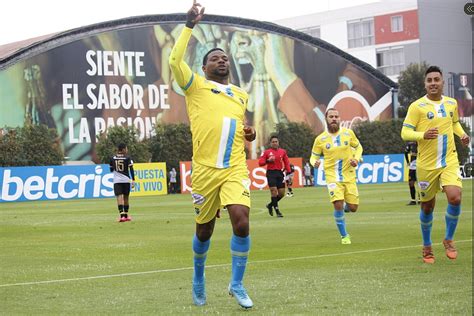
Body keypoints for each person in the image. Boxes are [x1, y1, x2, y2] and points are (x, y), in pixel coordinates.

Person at [168, 1, 256, 309]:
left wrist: (250, 134)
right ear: (204, 68)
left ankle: (237, 283)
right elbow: (174, 60)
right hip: (205, 171)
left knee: (241, 222)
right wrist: (189, 24)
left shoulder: (241, 95)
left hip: (234, 169)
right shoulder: (195, 86)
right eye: (215, 59)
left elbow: (236, 126)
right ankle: (198, 276)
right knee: (204, 231)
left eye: (224, 58)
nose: (221, 61)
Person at [401, 65, 470, 264]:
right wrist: (422, 135)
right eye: (429, 80)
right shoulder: (417, 107)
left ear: (441, 82)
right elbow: (405, 132)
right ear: (425, 84)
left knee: (455, 198)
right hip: (426, 166)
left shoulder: (451, 103)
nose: (433, 83)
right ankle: (427, 245)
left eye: (436, 80)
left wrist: (462, 134)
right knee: (427, 207)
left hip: (449, 160)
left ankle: (448, 239)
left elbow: (454, 123)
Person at [310, 109, 363, 245]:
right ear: (326, 119)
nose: (334, 119)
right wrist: (314, 162)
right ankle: (344, 236)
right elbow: (314, 156)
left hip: (349, 174)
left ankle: (346, 205)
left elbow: (358, 148)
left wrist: (356, 159)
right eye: (331, 116)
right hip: (332, 175)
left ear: (340, 119)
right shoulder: (320, 139)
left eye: (336, 116)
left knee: (353, 208)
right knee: (337, 204)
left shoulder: (348, 133)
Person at [258, 135, 291, 217]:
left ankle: (270, 205)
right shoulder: (266, 152)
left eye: (276, 142)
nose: (275, 143)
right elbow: (260, 163)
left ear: (278, 143)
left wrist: (289, 172)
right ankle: (277, 211)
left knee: (281, 194)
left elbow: (286, 162)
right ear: (270, 143)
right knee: (274, 191)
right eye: (273, 142)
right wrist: (268, 161)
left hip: (279, 173)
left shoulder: (283, 151)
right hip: (271, 173)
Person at [109, 143, 135, 222]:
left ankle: (122, 216)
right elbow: (131, 169)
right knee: (126, 197)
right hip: (126, 180)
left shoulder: (112, 158)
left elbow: (111, 170)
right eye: (126, 148)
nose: (127, 150)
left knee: (119, 197)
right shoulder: (127, 158)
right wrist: (133, 180)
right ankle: (126, 215)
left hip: (117, 181)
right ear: (123, 149)